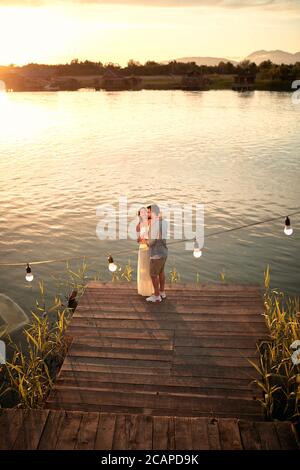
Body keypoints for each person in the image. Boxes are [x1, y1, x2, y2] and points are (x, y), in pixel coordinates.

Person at [146, 204, 168, 303]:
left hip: (156, 254)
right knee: (161, 272)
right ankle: (162, 292)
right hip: (164, 252)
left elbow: (152, 241)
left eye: (149, 212)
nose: (148, 213)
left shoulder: (154, 223)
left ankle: (156, 295)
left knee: (153, 275)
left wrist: (147, 241)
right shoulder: (163, 222)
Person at [136, 207, 153, 296]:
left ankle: (152, 289)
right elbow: (138, 240)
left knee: (150, 269)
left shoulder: (151, 223)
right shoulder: (139, 225)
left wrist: (146, 240)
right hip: (142, 249)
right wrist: (144, 241)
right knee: (143, 269)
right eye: (141, 213)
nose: (143, 214)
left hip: (150, 249)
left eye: (145, 212)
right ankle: (145, 290)